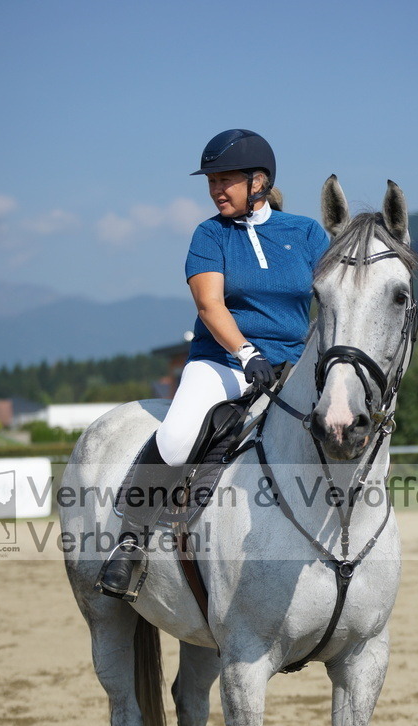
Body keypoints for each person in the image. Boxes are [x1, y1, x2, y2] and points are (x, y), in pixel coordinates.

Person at [97, 129, 329, 599]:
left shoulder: (305, 233)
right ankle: (130, 541)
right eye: (211, 181)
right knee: (178, 436)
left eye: (226, 180)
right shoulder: (210, 234)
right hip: (223, 361)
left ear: (259, 181)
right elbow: (210, 306)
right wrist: (248, 354)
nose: (216, 190)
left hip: (295, 364)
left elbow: (333, 294)